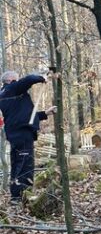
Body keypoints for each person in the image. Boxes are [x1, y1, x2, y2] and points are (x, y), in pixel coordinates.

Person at [0, 70, 56, 203]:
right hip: (22, 134)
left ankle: (16, 196)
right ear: (11, 80)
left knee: (17, 164)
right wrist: (41, 78)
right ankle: (22, 196)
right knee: (26, 165)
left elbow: (24, 117)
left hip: (16, 134)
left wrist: (45, 113)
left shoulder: (6, 94)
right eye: (16, 79)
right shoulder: (12, 88)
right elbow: (28, 80)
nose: (18, 81)